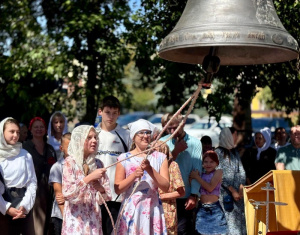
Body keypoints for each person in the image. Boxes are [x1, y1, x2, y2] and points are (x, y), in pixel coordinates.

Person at [114, 119, 170, 235]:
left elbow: (165, 187)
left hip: (152, 208)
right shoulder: (124, 158)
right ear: (133, 137)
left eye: (148, 133)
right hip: (131, 208)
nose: (145, 136)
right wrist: (133, 175)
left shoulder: (160, 157)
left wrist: (150, 169)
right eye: (141, 133)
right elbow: (118, 188)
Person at [62, 125, 111, 235]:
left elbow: (106, 197)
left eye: (95, 137)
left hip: (93, 220)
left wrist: (101, 189)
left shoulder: (98, 164)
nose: (94, 141)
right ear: (79, 140)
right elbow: (67, 193)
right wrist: (89, 178)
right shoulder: (70, 162)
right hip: (76, 220)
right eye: (89, 138)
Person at [160, 113, 202, 235]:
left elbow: (196, 170)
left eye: (175, 127)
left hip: (186, 197)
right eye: (169, 128)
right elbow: (160, 168)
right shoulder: (162, 142)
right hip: (167, 197)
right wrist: (176, 151)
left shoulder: (195, 143)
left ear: (182, 124)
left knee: (184, 231)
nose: (172, 131)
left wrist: (194, 195)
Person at [95, 95, 131, 235]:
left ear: (119, 113)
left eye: (114, 113)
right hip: (96, 195)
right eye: (107, 112)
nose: (111, 116)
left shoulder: (126, 135)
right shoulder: (93, 134)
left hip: (117, 195)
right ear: (100, 112)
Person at [0, 117, 37, 235]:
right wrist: (6, 208)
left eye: (17, 132)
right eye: (11, 131)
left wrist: (25, 206)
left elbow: (32, 182)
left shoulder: (25, 155)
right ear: (2, 132)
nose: (15, 135)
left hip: (23, 208)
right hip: (3, 209)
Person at [23, 117, 57, 235]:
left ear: (45, 130)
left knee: (49, 225)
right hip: (33, 192)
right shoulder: (25, 148)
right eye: (35, 127)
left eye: (41, 127)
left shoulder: (50, 149)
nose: (39, 129)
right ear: (30, 130)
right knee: (35, 226)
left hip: (50, 192)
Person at [215, 127, 246, 235]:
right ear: (228, 136)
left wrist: (241, 188)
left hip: (238, 197)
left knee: (239, 226)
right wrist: (232, 190)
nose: (236, 138)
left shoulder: (234, 152)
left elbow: (241, 170)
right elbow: (219, 175)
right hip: (225, 197)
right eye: (235, 135)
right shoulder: (217, 153)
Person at [189, 150, 228, 235]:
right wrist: (193, 177)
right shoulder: (201, 174)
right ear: (202, 163)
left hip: (215, 209)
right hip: (202, 209)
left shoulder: (218, 172)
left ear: (216, 163)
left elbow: (210, 188)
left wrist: (196, 177)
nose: (208, 164)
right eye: (206, 162)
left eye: (211, 162)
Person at [156, 140, 185, 235]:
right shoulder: (149, 166)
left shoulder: (173, 166)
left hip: (167, 210)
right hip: (151, 209)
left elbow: (181, 192)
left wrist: (162, 196)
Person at [49, 132, 71, 235]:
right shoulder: (57, 167)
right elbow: (59, 196)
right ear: (61, 148)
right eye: (69, 147)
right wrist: (66, 219)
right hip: (61, 216)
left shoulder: (83, 166)